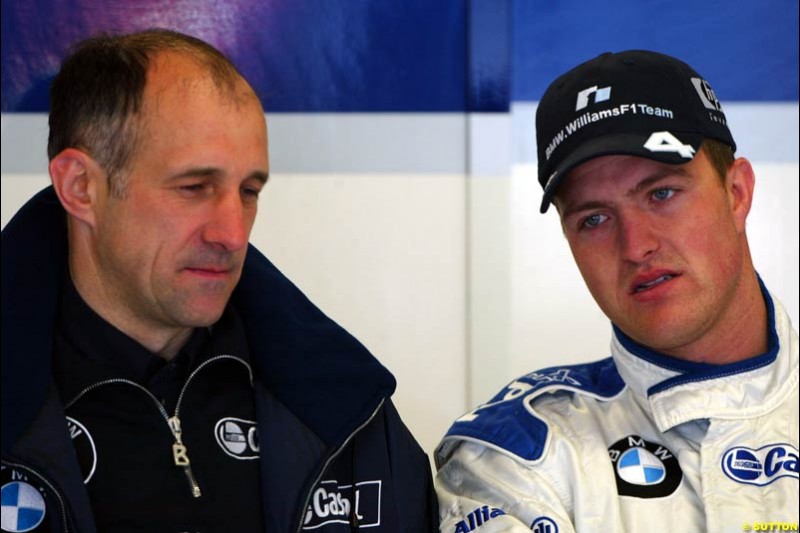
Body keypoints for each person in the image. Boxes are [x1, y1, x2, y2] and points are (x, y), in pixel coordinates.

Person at [1, 29, 436, 533]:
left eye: (248, 191)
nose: (233, 234)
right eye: (193, 188)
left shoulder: (348, 412)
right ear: (81, 188)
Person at [435, 50, 798, 532]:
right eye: (595, 219)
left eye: (661, 194)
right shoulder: (519, 455)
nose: (636, 246)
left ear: (737, 194)